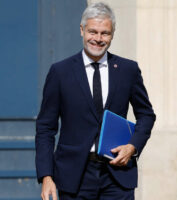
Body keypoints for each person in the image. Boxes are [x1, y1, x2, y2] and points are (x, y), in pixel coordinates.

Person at [35, 2, 156, 200]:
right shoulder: (60, 72)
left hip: (118, 175)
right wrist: (47, 176)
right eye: (93, 31)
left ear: (112, 34)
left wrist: (133, 146)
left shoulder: (128, 70)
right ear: (82, 30)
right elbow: (45, 128)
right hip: (74, 177)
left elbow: (147, 115)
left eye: (105, 33)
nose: (98, 39)